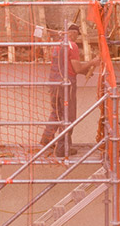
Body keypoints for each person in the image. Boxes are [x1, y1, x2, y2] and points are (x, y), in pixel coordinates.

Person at [39, 23, 97, 156]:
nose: (77, 38)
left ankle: (46, 141)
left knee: (56, 113)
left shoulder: (57, 45)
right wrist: (92, 63)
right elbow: (76, 69)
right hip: (66, 85)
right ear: (73, 33)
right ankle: (62, 149)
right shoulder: (72, 46)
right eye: (77, 35)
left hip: (54, 83)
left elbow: (67, 66)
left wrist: (85, 71)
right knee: (68, 117)